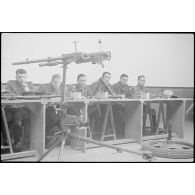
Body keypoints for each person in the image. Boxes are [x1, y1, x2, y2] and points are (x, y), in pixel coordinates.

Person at [4, 69, 34, 152]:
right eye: (20, 77)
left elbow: (33, 97)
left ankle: (18, 142)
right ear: (16, 77)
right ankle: (6, 142)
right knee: (4, 118)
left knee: (18, 119)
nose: (22, 79)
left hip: (24, 109)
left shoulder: (30, 84)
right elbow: (6, 93)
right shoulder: (10, 83)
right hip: (10, 108)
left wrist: (26, 89)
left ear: (26, 77)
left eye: (24, 77)